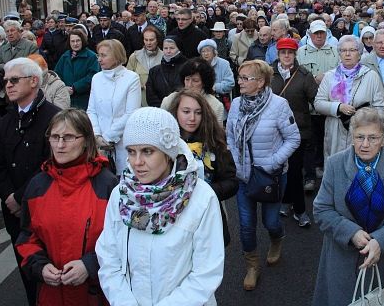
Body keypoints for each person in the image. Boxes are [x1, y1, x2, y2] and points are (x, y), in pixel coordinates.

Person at [96, 107, 224, 305]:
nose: (137, 162)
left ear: (168, 153)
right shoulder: (121, 195)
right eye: (131, 151)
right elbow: (108, 257)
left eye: (148, 151)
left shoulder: (201, 198)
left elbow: (206, 272)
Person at [312, 108, 384, 306]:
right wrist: (351, 232)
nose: (365, 144)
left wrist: (380, 240)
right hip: (341, 260)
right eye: (360, 137)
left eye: (373, 138)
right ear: (352, 137)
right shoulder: (334, 164)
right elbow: (322, 209)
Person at [15, 109, 118, 305]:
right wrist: (40, 267)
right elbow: (27, 238)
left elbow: (122, 243)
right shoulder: (38, 185)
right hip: (51, 296)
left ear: (86, 140)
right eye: (55, 137)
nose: (60, 145)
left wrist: (90, 265)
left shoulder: (107, 185)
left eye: (69, 137)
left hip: (96, 295)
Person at [0, 57, 61, 305]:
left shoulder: (55, 117)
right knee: (27, 275)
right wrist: (8, 196)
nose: (8, 85)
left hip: (43, 209)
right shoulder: (7, 120)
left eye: (14, 79)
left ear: (33, 81)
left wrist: (20, 197)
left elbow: (51, 165)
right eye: (5, 80)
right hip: (14, 213)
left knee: (51, 276)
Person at [225, 59, 300, 291]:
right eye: (240, 77)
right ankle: (252, 266)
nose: (240, 82)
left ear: (261, 82)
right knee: (246, 225)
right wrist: (235, 161)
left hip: (271, 175)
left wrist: (272, 162)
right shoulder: (237, 103)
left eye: (245, 78)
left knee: (271, 221)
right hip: (243, 176)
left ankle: (277, 239)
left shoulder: (279, 105)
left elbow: (293, 138)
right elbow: (229, 134)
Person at [168, 89, 239, 245]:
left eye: (198, 112)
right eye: (186, 111)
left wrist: (206, 192)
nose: (192, 118)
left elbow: (232, 182)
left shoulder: (214, 141)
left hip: (207, 215)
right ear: (175, 112)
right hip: (172, 219)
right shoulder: (165, 144)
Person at [315, 35, 384, 162]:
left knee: (361, 166)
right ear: (339, 54)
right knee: (337, 166)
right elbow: (318, 103)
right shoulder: (329, 76)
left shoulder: (371, 76)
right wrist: (338, 107)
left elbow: (380, 107)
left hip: (363, 131)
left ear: (359, 54)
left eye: (352, 50)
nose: (347, 54)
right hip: (335, 129)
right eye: (343, 50)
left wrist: (364, 117)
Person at [271, 38, 318, 227]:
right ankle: (284, 201)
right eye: (283, 52)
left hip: (297, 131)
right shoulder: (268, 72)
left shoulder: (304, 74)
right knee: (279, 170)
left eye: (290, 52)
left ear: (295, 54)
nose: (287, 56)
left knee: (295, 171)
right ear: (278, 54)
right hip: (273, 131)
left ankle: (299, 210)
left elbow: (315, 98)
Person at [87, 39, 141, 175]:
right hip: (98, 144)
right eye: (98, 55)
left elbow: (131, 113)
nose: (99, 59)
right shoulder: (96, 78)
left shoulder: (131, 78)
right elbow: (91, 110)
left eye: (103, 55)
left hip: (122, 142)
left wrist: (108, 137)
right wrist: (97, 135)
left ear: (116, 56)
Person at [298, 20, 340, 191]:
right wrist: (313, 79)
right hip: (307, 107)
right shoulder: (301, 52)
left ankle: (325, 170)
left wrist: (327, 76)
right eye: (316, 33)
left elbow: (340, 72)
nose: (319, 36)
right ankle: (309, 176)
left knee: (327, 139)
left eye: (322, 33)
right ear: (310, 34)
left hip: (329, 105)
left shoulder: (334, 51)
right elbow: (297, 75)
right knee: (309, 141)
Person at [160, 58, 225, 123]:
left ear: (204, 83)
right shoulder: (169, 101)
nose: (189, 84)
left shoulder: (215, 106)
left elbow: (217, 132)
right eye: (187, 79)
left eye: (195, 81)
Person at [54, 29, 100, 110]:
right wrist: (63, 88)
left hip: (83, 99)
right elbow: (57, 74)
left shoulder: (91, 57)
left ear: (82, 41)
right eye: (72, 41)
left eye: (78, 41)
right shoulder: (65, 56)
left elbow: (92, 76)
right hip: (65, 98)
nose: (75, 44)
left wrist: (75, 88)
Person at [126, 25, 163, 107]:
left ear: (157, 40)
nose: (148, 43)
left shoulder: (164, 57)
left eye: (151, 40)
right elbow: (126, 78)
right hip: (138, 100)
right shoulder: (135, 56)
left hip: (157, 102)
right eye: (146, 40)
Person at [146, 36, 187, 107]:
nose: (168, 51)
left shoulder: (187, 68)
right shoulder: (154, 71)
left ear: (179, 49)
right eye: (165, 48)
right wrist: (162, 108)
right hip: (159, 111)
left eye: (172, 48)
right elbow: (150, 95)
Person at [197, 39, 234, 112]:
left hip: (220, 101)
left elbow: (230, 83)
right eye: (203, 51)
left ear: (214, 52)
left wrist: (214, 87)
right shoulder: (198, 66)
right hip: (202, 103)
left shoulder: (224, 64)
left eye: (208, 51)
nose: (206, 54)